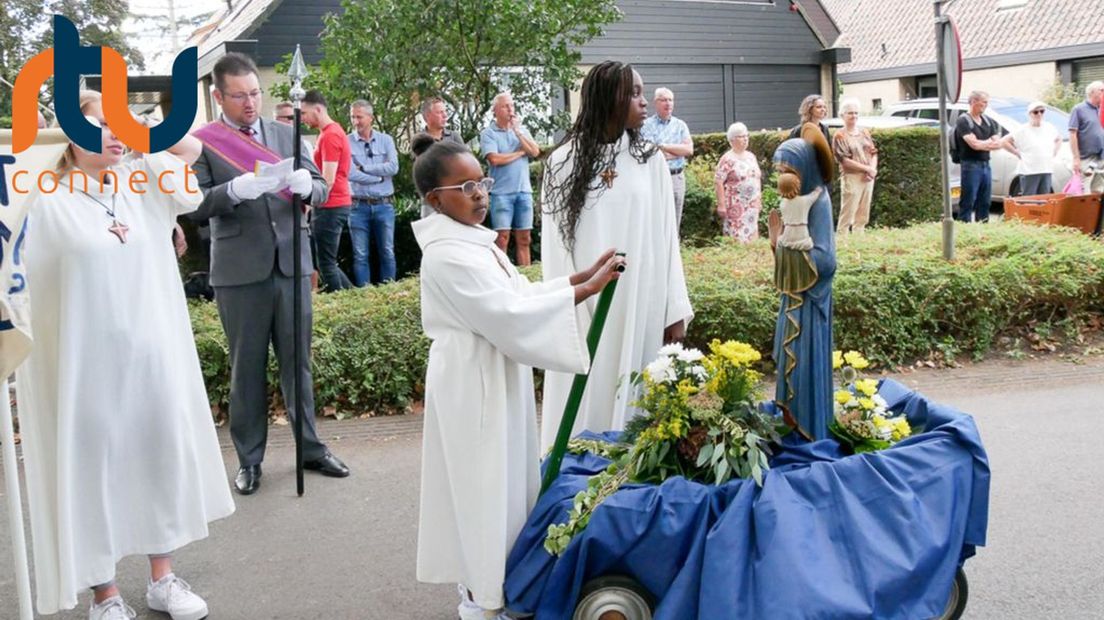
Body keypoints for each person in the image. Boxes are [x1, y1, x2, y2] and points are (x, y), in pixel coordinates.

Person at [16, 89, 234, 620]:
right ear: (66, 135)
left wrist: (134, 128)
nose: (116, 135)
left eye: (123, 126)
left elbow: (191, 150)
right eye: (99, 126)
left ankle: (163, 580)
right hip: (83, 367)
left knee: (156, 458)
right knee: (94, 471)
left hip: (151, 359)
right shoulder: (42, 198)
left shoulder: (143, 184)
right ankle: (105, 594)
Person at [411, 134, 625, 620]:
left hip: (491, 369)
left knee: (506, 479)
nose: (480, 194)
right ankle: (485, 596)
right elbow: (506, 312)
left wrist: (576, 279)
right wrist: (586, 289)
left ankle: (505, 578)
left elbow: (518, 294)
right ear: (434, 200)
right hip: (471, 380)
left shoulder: (472, 242)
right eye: (465, 187)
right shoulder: (446, 253)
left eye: (481, 182)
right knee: (484, 485)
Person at [190, 52, 349, 496]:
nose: (250, 103)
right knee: (247, 368)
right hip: (240, 270)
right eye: (239, 96)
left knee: (298, 362)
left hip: (291, 262)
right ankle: (250, 459)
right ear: (219, 96)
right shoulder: (206, 142)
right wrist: (231, 191)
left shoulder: (287, 132)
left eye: (255, 93)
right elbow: (192, 203)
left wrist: (308, 188)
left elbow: (320, 184)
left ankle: (311, 448)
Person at [539, 60, 694, 452]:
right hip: (588, 307)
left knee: (639, 398)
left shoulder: (650, 160)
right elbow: (556, 249)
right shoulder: (561, 163)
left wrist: (674, 307)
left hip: (642, 299)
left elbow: (666, 237)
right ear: (609, 99)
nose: (645, 102)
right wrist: (570, 305)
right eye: (635, 93)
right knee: (589, 392)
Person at [772, 123, 837, 440]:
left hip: (810, 304)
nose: (785, 177)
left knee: (804, 364)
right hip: (792, 295)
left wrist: (791, 253)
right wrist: (777, 245)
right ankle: (789, 423)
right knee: (789, 365)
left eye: (790, 169)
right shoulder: (792, 199)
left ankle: (808, 428)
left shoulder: (819, 201)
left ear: (805, 169)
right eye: (781, 170)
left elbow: (826, 261)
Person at [302, 89, 354, 291]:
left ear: (318, 109)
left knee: (325, 263)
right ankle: (355, 297)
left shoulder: (330, 136)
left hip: (330, 205)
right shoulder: (331, 132)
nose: (303, 118)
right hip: (334, 204)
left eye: (304, 113)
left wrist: (311, 202)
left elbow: (328, 180)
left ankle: (342, 303)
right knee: (326, 261)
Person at [480, 92, 540, 265]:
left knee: (525, 238)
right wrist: (520, 152)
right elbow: (495, 159)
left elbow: (535, 152)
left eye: (512, 105)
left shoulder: (521, 130)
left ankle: (526, 275)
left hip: (524, 191)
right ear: (495, 110)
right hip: (501, 193)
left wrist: (518, 132)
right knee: (502, 238)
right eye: (506, 106)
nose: (510, 109)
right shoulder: (489, 133)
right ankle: (502, 276)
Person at [347, 100, 400, 285]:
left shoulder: (386, 140)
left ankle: (389, 293)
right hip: (357, 205)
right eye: (353, 116)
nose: (355, 121)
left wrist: (364, 168)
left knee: (387, 251)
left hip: (384, 204)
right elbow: (350, 173)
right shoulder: (347, 142)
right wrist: (378, 176)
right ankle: (365, 297)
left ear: (370, 118)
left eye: (359, 117)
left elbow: (393, 167)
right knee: (360, 255)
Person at [641, 87, 694, 227]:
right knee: (656, 220)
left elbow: (689, 150)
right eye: (664, 100)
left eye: (670, 100)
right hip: (655, 177)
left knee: (674, 222)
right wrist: (677, 150)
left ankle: (674, 249)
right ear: (655, 102)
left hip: (676, 177)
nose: (668, 103)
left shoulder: (680, 125)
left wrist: (663, 146)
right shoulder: (646, 125)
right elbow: (649, 151)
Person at [954, 90, 1004, 223]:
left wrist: (984, 144)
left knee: (985, 201)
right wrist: (988, 143)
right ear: (974, 102)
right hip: (970, 165)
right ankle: (964, 228)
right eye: (984, 102)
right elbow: (974, 145)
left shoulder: (988, 121)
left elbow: (998, 143)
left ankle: (982, 228)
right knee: (968, 200)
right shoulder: (963, 120)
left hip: (986, 165)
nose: (986, 105)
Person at [831, 97, 879, 234]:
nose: (854, 116)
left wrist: (872, 170)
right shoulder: (839, 135)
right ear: (843, 115)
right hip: (851, 177)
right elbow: (844, 160)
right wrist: (867, 169)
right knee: (848, 212)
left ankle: (859, 240)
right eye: (850, 113)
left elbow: (873, 152)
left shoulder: (864, 132)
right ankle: (843, 241)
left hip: (868, 177)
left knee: (863, 212)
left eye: (856, 113)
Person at [416, 97, 465, 217]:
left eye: (445, 111)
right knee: (431, 234)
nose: (445, 116)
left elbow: (465, 162)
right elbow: (422, 169)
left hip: (455, 197)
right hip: (431, 199)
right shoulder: (419, 139)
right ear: (427, 117)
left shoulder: (454, 137)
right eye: (440, 112)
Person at [713, 121, 762, 242]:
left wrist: (759, 200)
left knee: (752, 237)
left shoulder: (751, 156)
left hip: (752, 206)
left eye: (746, 136)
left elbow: (757, 178)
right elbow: (718, 181)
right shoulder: (727, 159)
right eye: (741, 136)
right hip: (735, 206)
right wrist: (721, 204)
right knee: (737, 237)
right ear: (732, 140)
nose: (745, 139)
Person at [1003, 100, 1060, 196]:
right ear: (1029, 114)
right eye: (1035, 112)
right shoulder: (1023, 129)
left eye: (1042, 111)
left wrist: (1054, 152)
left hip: (1046, 169)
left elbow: (1058, 139)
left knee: (1044, 199)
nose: (1039, 114)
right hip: (1029, 170)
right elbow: (1004, 141)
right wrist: (1016, 152)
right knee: (1029, 199)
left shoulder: (1049, 127)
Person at [1069, 81, 1104, 195]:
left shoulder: (1101, 110)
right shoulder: (1079, 109)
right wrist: (1076, 158)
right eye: (1102, 90)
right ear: (1092, 92)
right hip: (1086, 158)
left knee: (1099, 190)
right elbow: (1072, 134)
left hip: (1100, 157)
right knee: (1085, 192)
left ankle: (1096, 213)